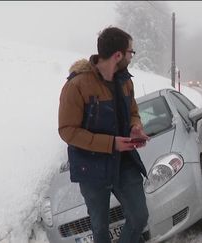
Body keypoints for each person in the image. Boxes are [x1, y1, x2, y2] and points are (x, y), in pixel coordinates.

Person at [58, 26, 149, 243]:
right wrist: (111, 144)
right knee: (99, 229)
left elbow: (134, 112)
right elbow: (67, 131)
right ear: (118, 55)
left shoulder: (126, 81)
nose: (131, 56)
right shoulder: (76, 85)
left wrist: (135, 126)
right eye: (130, 52)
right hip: (91, 169)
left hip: (124, 163)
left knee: (139, 217)